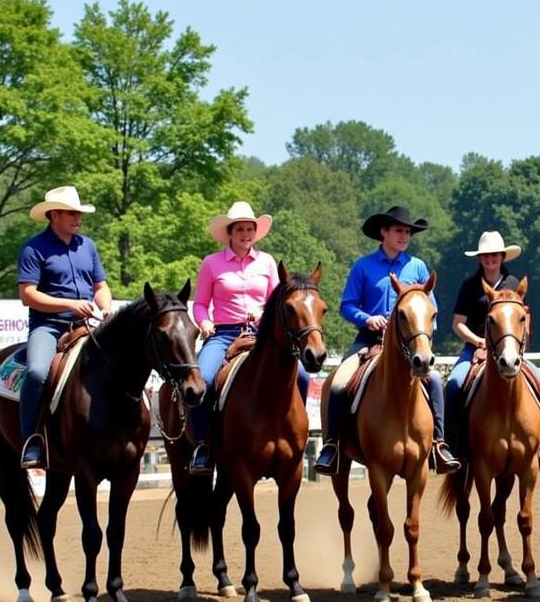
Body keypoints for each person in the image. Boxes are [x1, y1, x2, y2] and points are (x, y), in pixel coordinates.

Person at [312, 205, 461, 476]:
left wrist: (423, 335)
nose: (404, 236)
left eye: (407, 232)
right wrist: (367, 319)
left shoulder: (418, 267)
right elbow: (347, 305)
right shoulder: (363, 266)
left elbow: (432, 311)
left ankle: (439, 444)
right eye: (399, 231)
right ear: (384, 232)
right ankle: (332, 446)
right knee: (338, 384)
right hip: (368, 342)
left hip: (411, 346)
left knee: (437, 381)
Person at [188, 201, 299, 475]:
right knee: (203, 380)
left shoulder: (267, 262)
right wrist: (204, 322)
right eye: (240, 229)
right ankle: (203, 444)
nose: (246, 234)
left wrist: (262, 312)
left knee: (304, 376)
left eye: (250, 229)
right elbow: (200, 303)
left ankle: (296, 436)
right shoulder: (211, 264)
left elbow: (277, 301)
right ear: (230, 233)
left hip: (263, 336)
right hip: (223, 334)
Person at [17, 185, 114, 469]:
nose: (77, 218)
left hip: (87, 325)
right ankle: (31, 439)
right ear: (54, 215)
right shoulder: (34, 248)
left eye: (78, 213)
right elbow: (28, 295)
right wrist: (70, 304)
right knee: (36, 372)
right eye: (71, 213)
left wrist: (105, 307)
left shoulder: (88, 246)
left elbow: (101, 286)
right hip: (48, 326)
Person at [444, 230, 540, 458]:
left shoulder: (515, 283)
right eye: (485, 255)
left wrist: (518, 346)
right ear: (479, 258)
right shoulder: (470, 286)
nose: (490, 259)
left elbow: (525, 319)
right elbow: (458, 324)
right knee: (454, 384)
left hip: (510, 351)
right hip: (474, 349)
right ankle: (449, 444)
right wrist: (478, 342)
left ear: (503, 257)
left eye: (495, 255)